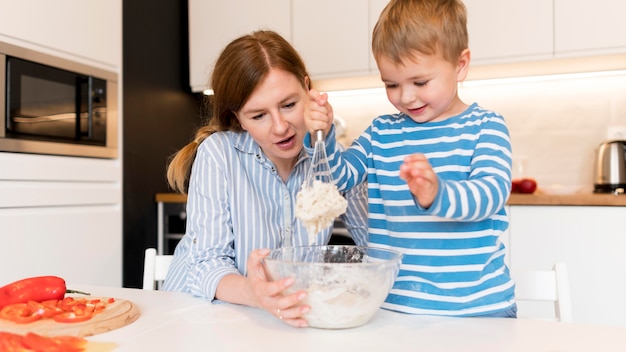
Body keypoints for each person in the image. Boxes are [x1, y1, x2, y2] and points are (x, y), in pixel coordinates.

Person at [304, 0, 516, 317]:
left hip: (477, 310)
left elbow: (492, 193)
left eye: (420, 82)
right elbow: (340, 178)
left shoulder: (485, 127)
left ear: (460, 65)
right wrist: (322, 134)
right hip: (394, 308)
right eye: (391, 84)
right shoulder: (380, 133)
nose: (405, 96)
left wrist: (437, 193)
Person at [162, 30, 368, 328]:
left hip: (279, 322)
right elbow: (206, 264)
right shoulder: (219, 155)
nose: (281, 127)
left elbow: (374, 242)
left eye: (289, 105)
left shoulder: (332, 159)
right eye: (259, 116)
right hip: (196, 318)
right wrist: (254, 292)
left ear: (308, 89)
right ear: (238, 118)